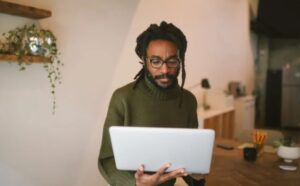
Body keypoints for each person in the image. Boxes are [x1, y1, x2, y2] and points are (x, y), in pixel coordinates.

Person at [98, 21, 205, 186]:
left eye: (172, 61)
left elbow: (186, 158)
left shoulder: (188, 101)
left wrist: (197, 175)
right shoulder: (123, 98)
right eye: (156, 61)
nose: (164, 70)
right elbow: (107, 159)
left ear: (180, 61)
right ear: (144, 60)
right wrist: (135, 183)